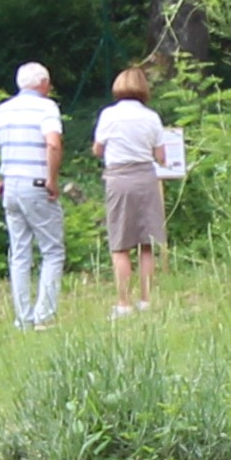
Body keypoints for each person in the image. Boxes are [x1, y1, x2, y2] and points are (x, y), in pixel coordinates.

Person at [0, 63, 73, 329]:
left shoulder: (4, 109)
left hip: (11, 186)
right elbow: (52, 143)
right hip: (36, 183)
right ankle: (44, 315)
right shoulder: (47, 108)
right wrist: (52, 180)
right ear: (43, 84)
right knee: (52, 251)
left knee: (19, 253)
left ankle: (23, 317)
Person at [93, 66, 174, 318]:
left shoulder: (108, 115)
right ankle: (146, 300)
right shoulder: (151, 117)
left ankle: (123, 303)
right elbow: (160, 156)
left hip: (119, 179)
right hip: (146, 179)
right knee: (146, 243)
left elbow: (98, 149)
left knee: (120, 245)